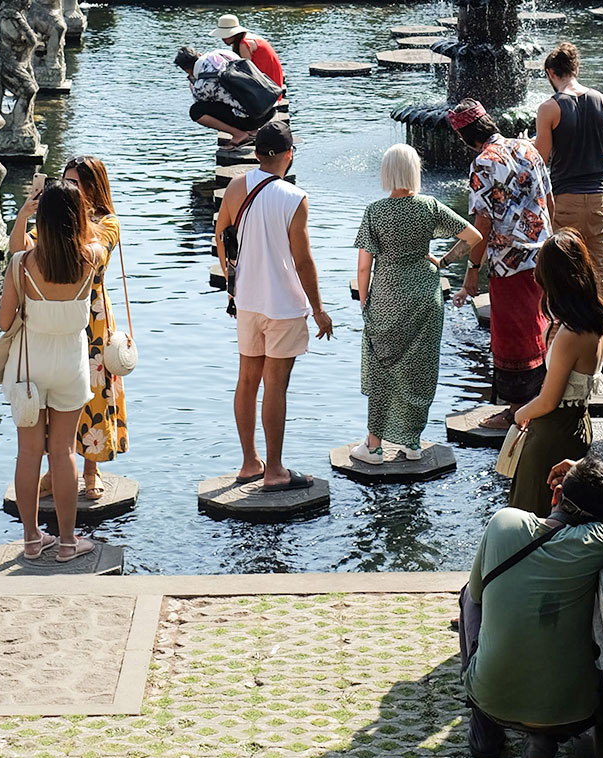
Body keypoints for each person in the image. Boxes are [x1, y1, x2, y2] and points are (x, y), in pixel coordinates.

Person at [460, 456, 603, 758]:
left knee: (469, 598)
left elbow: (478, 594)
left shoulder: (504, 522)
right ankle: (540, 755)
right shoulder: (597, 541)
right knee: (561, 671)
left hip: (493, 699)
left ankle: (485, 735)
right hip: (574, 712)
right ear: (602, 516)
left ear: (556, 496)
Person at [214, 120, 332, 490]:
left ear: (255, 153)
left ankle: (250, 462)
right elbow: (303, 261)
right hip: (283, 305)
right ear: (289, 155)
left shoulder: (236, 188)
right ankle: (275, 471)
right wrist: (319, 309)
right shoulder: (294, 198)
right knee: (275, 387)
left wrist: (234, 283)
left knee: (246, 380)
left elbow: (221, 237)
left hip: (247, 301)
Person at [349, 144, 482, 464]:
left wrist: (365, 301)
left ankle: (374, 446)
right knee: (418, 368)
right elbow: (474, 236)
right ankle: (412, 443)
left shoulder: (375, 211)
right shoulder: (429, 206)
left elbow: (364, 266)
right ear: (414, 171)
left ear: (387, 172)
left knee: (383, 368)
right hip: (426, 294)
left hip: (387, 295)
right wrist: (443, 261)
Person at [1, 176, 102, 563]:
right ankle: (66, 543)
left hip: (30, 364)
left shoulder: (23, 264)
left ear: (41, 218)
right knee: (62, 453)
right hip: (70, 365)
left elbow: (3, 320)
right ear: (77, 217)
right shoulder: (91, 256)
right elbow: (90, 232)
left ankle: (30, 539)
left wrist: (26, 214)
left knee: (29, 455)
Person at [448, 99, 554, 431]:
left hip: (509, 262)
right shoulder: (528, 148)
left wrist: (471, 273)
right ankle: (545, 398)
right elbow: (549, 200)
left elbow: (482, 224)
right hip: (543, 254)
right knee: (542, 325)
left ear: (465, 137)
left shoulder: (483, 162)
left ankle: (515, 411)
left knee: (513, 338)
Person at [508, 231, 603, 514]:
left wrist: (518, 414)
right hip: (579, 423)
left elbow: (548, 401)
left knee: (529, 512)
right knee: (565, 513)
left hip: (553, 431)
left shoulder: (570, 334)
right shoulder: (599, 317)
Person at [533, 41, 603, 291]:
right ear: (576, 69)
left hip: (565, 202)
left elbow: (541, 157)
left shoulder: (549, 108)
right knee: (598, 275)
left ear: (551, 73)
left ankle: (563, 329)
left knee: (563, 275)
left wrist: (532, 141)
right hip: (597, 201)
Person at [63, 156, 126, 499]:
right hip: (55, 312)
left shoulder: (108, 221)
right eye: (67, 184)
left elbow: (95, 257)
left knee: (94, 389)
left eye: (77, 185)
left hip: (94, 315)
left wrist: (70, 221)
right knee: (56, 392)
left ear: (92, 188)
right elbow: (25, 250)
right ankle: (58, 468)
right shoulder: (53, 219)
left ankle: (91, 468)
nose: (72, 191)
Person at [175, 43, 281, 144]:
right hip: (270, 106)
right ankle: (252, 128)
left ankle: (239, 134)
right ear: (199, 54)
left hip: (256, 119)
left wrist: (193, 85)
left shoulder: (202, 83)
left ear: (187, 70)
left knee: (196, 111)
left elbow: (200, 102)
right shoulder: (221, 54)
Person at [213, 13, 285, 88]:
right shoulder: (246, 38)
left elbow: (247, 71)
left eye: (225, 36)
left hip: (270, 86)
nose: (222, 39)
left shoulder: (244, 44)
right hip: (271, 81)